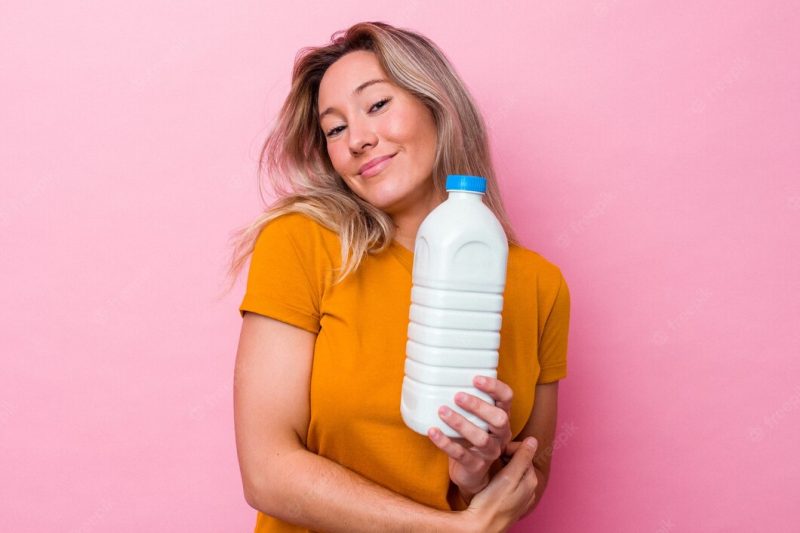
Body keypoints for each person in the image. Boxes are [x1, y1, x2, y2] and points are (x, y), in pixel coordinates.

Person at [227, 21, 571, 533]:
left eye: (378, 105)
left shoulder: (540, 286)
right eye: (335, 128)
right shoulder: (303, 245)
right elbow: (267, 473)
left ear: (438, 105)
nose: (359, 140)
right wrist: (447, 530)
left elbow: (530, 476)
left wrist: (477, 473)